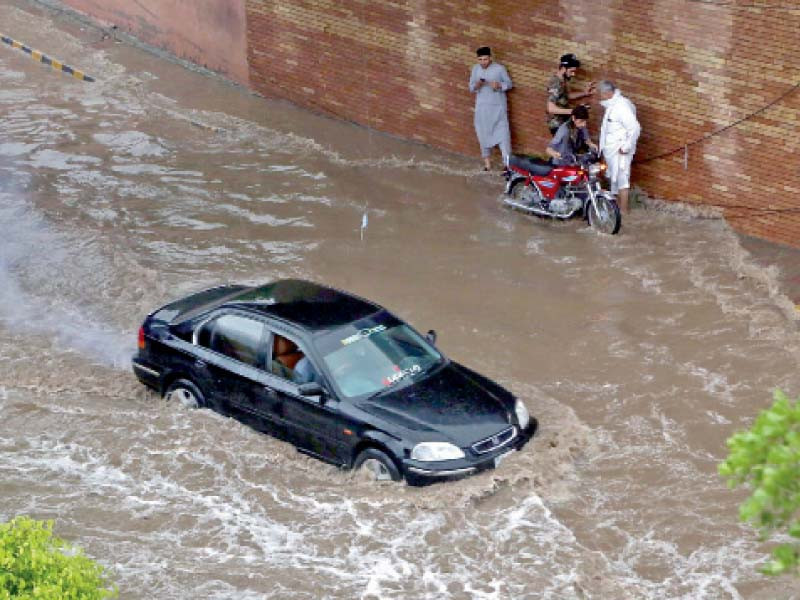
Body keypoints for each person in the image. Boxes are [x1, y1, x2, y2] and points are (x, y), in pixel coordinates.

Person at [597, 80, 641, 214]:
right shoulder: (612, 105)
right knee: (614, 180)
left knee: (622, 180)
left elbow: (635, 128)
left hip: (620, 151)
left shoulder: (621, 107)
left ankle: (623, 211)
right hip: (611, 151)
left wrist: (626, 147)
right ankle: (615, 209)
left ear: (608, 93)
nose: (600, 97)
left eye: (602, 94)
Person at [469, 46, 513, 171]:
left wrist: (499, 85)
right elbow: (471, 88)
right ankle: (487, 164)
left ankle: (507, 165)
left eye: (486, 59)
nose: (483, 62)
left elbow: (509, 84)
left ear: (490, 58)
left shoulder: (499, 69)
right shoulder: (475, 69)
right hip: (482, 109)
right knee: (482, 134)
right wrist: (477, 84)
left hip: (498, 108)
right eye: (480, 59)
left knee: (503, 134)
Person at [546, 53, 595, 135]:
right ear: (563, 68)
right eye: (571, 71)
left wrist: (585, 93)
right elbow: (550, 108)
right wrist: (574, 111)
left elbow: (567, 96)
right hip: (557, 125)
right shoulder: (555, 83)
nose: (573, 74)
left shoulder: (562, 80)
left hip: (564, 122)